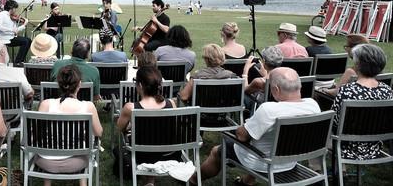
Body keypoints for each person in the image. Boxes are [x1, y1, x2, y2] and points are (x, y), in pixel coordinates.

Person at [189, 68, 321, 185]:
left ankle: (194, 180)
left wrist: (242, 127)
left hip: (264, 163)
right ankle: (246, 181)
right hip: (290, 161)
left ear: (276, 89)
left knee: (217, 151)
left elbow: (241, 136)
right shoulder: (313, 106)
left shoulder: (269, 110)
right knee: (262, 140)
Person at [37, 65, 102, 186]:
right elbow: (99, 132)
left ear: (59, 84)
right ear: (79, 84)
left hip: (45, 161)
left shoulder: (46, 104)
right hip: (77, 162)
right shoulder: (88, 106)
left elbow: (37, 133)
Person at [331, 44, 393, 161]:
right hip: (374, 147)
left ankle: (339, 169)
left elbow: (334, 121)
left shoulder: (347, 90)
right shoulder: (387, 90)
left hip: (346, 147)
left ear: (358, 65)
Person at [117, 65, 176, 185]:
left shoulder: (130, 107)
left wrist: (129, 127)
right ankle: (149, 181)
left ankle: (148, 180)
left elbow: (120, 128)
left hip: (141, 155)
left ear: (139, 85)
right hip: (168, 154)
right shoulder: (171, 104)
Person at [0, 0, 31, 66]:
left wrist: (23, 25)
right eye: (15, 8)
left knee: (28, 40)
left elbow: (15, 30)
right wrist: (11, 30)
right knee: (25, 41)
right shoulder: (2, 15)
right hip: (4, 38)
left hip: (11, 37)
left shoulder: (10, 17)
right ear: (11, 8)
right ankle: (17, 62)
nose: (16, 10)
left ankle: (20, 61)